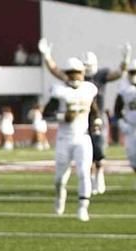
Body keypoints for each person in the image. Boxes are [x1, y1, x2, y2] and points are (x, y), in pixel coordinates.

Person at [39, 39, 132, 194]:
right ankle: (88, 180)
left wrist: (125, 61)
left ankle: (99, 174)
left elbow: (118, 73)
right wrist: (47, 57)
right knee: (85, 154)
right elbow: (56, 71)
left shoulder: (100, 76)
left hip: (97, 115)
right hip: (79, 119)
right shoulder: (76, 76)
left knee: (99, 150)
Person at [45, 58, 99, 222]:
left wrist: (96, 122)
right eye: (71, 73)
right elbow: (46, 114)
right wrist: (63, 116)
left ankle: (83, 208)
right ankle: (60, 196)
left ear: (83, 73)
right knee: (60, 179)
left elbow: (94, 110)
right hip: (64, 138)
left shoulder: (89, 89)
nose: (74, 77)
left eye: (77, 73)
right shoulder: (59, 91)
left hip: (83, 137)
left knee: (84, 172)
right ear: (66, 75)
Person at [115, 60, 136, 176]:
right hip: (131, 127)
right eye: (132, 73)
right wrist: (120, 122)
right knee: (133, 157)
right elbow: (117, 108)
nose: (134, 76)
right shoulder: (124, 89)